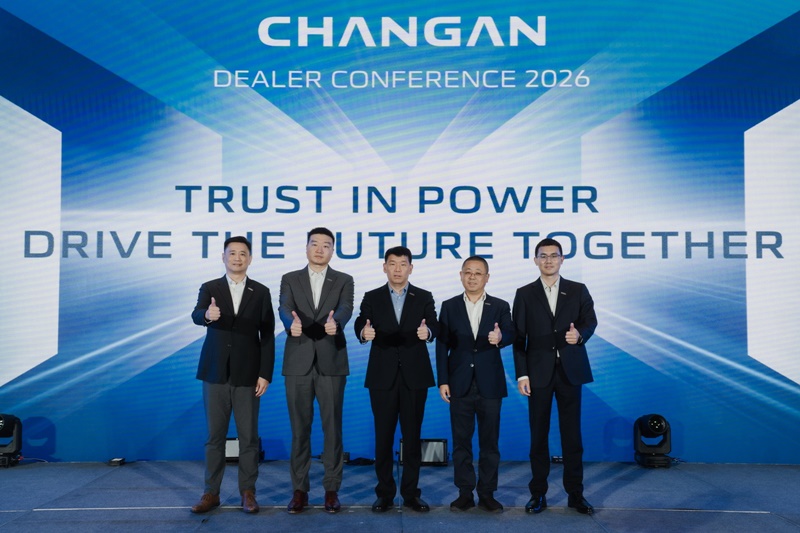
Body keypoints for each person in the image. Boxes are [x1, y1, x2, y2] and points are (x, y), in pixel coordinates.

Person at [190, 236, 275, 515]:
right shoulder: (210, 287)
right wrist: (207, 314)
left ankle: (248, 492)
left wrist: (265, 373)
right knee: (214, 437)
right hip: (215, 372)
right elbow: (196, 315)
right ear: (223, 257)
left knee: (248, 438)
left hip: (248, 374)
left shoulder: (260, 292)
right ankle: (210, 493)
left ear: (249, 259)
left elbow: (267, 336)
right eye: (232, 253)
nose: (237, 258)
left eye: (242, 253)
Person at [512, 237, 597, 515]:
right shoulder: (524, 293)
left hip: (570, 372)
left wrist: (579, 335)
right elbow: (519, 338)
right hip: (537, 374)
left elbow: (590, 321)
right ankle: (538, 494)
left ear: (562, 259)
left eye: (553, 255)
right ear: (535, 260)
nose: (548, 260)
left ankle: (576, 494)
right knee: (538, 436)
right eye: (543, 256)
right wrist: (522, 375)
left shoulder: (578, 290)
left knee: (572, 436)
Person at [353, 246, 439, 513]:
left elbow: (434, 323)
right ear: (385, 267)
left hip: (415, 376)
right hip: (382, 376)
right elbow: (361, 322)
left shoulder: (423, 296)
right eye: (392, 263)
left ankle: (411, 494)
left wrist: (429, 332)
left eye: (403, 264)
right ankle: (385, 494)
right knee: (383, 437)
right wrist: (363, 332)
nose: (398, 269)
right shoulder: (372, 296)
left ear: (411, 268)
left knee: (412, 438)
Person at [279, 227, 354, 514]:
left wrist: (338, 323)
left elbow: (346, 307)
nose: (320, 249)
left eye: (326, 245)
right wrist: (291, 324)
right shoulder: (290, 278)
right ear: (307, 247)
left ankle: (331, 490)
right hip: (297, 361)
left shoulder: (344, 279)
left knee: (332, 429)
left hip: (331, 361)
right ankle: (299, 490)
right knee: (300, 430)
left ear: (333, 250)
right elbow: (284, 307)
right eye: (315, 244)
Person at [436, 256, 515, 513]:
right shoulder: (449, 306)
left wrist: (500, 337)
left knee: (490, 443)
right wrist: (443, 380)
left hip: (490, 384)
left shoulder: (500, 306)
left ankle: (487, 493)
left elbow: (511, 333)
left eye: (478, 273)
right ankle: (465, 493)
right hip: (458, 383)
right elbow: (442, 345)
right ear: (461, 275)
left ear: (487, 278)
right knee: (461, 443)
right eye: (468, 272)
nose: (472, 277)